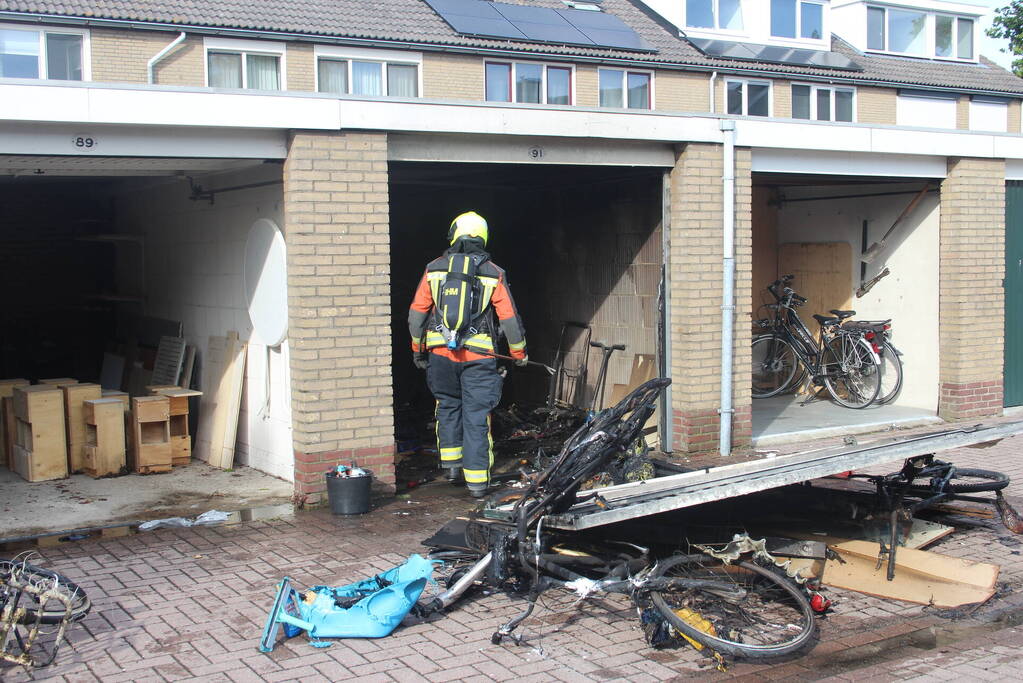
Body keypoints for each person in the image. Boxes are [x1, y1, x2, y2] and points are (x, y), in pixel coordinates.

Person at [408, 211, 527, 497]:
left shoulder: (434, 268)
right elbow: (509, 318)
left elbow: (416, 314)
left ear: (454, 233)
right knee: (476, 417)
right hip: (479, 358)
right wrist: (518, 353)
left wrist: (417, 349)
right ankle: (476, 483)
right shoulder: (493, 272)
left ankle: (451, 467)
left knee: (447, 408)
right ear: (483, 236)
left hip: (439, 355)